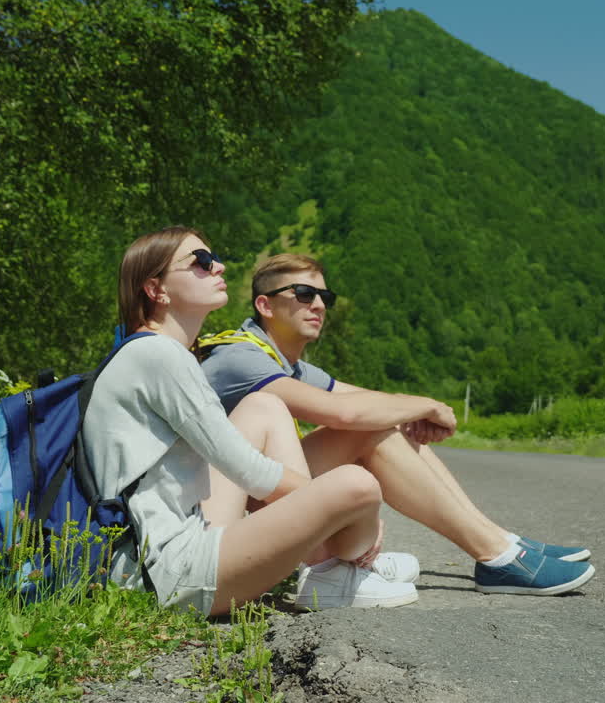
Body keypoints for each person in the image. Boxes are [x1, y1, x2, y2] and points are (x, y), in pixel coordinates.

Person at [200, 253, 595, 601]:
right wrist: (427, 405)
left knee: (384, 422)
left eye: (325, 297)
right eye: (303, 294)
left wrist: (411, 413)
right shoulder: (241, 357)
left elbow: (359, 397)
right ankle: (495, 555)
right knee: (369, 429)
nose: (319, 304)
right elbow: (345, 415)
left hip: (257, 494)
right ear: (265, 305)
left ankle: (500, 541)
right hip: (221, 514)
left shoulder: (291, 363)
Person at [84, 227, 419, 616]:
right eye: (201, 262)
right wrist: (334, 508)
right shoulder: (159, 356)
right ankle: (337, 567)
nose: (218, 267)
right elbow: (249, 471)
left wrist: (326, 512)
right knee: (358, 486)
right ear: (156, 290)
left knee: (264, 406)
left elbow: (237, 457)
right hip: (170, 573)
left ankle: (330, 569)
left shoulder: (159, 351)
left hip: (177, 540)